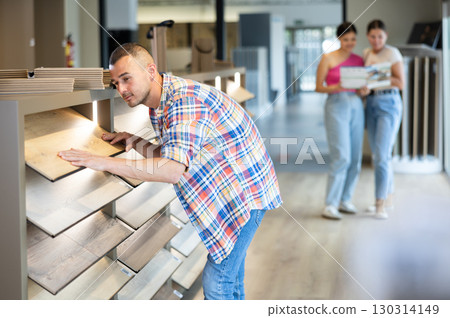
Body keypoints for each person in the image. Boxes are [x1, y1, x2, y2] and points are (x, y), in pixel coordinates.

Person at [59, 43, 282, 299]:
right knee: (230, 281)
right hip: (238, 194)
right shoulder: (162, 101)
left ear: (150, 71)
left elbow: (172, 171)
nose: (121, 90)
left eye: (126, 79)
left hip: (246, 198)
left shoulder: (183, 103)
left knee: (217, 282)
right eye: (115, 83)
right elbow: (177, 156)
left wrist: (100, 161)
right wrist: (136, 142)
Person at [315, 22, 365, 220]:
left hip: (356, 105)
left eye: (353, 39)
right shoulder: (328, 58)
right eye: (346, 39)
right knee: (341, 155)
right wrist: (337, 86)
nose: (350, 43)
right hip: (336, 105)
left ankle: (345, 199)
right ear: (338, 39)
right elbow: (318, 87)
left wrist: (364, 90)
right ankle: (330, 204)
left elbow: (362, 85)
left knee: (355, 157)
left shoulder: (359, 60)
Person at [360, 20, 405, 219]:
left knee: (381, 156)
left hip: (389, 103)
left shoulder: (392, 53)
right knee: (380, 155)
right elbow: (365, 81)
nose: (376, 40)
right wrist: (364, 86)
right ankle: (388, 197)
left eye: (380, 36)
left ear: (385, 36)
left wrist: (374, 78)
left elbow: (400, 82)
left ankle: (380, 205)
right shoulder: (366, 53)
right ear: (368, 36)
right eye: (372, 36)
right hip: (371, 104)